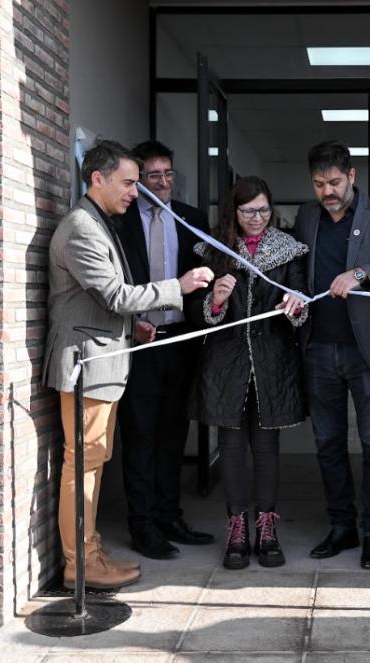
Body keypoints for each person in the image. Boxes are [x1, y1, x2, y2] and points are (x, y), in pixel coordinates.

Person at [43, 139, 214, 589]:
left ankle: (90, 555)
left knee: (93, 460)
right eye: (130, 182)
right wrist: (178, 286)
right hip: (88, 364)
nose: (137, 192)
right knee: (82, 464)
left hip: (104, 362)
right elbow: (117, 296)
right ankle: (82, 563)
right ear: (97, 178)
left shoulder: (100, 222)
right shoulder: (84, 227)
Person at [293, 140, 370, 570]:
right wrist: (291, 293)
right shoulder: (307, 216)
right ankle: (342, 525)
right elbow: (297, 267)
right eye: (318, 184)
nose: (326, 192)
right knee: (327, 443)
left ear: (352, 177)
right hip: (318, 349)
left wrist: (362, 273)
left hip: (367, 350)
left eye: (333, 182)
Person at [188, 176, 309, 570]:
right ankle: (237, 528)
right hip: (226, 363)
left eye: (263, 210)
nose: (257, 218)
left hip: (272, 360)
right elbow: (198, 315)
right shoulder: (213, 251)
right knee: (233, 449)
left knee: (267, 449)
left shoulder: (289, 251)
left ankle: (267, 528)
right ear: (233, 212)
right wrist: (217, 301)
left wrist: (296, 305)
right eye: (248, 211)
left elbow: (303, 306)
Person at [115, 140, 214, 561]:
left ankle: (169, 515)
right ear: (138, 179)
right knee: (140, 435)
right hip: (139, 342)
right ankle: (142, 526)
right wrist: (128, 325)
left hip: (180, 341)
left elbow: (203, 284)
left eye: (168, 174)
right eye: (153, 175)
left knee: (174, 434)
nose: (162, 182)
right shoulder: (120, 220)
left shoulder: (190, 219)